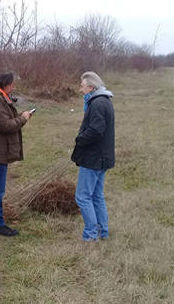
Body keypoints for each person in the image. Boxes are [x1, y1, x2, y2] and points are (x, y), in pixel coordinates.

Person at [0, 71, 33, 236]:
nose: (14, 87)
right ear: (5, 84)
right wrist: (23, 118)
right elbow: (5, 125)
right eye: (12, 85)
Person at [72, 71, 115, 242]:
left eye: (82, 86)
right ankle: (102, 231)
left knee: (82, 197)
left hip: (94, 158)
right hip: (101, 157)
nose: (81, 89)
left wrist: (79, 139)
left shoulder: (97, 103)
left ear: (91, 87)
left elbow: (96, 131)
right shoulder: (104, 101)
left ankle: (90, 235)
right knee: (96, 196)